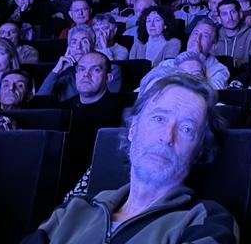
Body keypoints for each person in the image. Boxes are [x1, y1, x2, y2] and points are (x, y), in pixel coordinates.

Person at [27, 74, 238, 243]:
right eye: (158, 118)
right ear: (133, 129)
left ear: (199, 151)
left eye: (186, 128)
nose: (167, 136)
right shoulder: (72, 211)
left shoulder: (207, 221)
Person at [40, 25, 122, 102]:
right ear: (69, 48)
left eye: (84, 42)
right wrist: (56, 71)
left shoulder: (111, 69)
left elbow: (109, 101)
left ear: (93, 46)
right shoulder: (61, 73)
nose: (78, 47)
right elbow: (40, 102)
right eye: (74, 42)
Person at [215, 0, 251, 67]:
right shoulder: (214, 37)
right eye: (225, 14)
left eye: (233, 12)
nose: (230, 18)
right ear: (219, 19)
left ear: (240, 14)